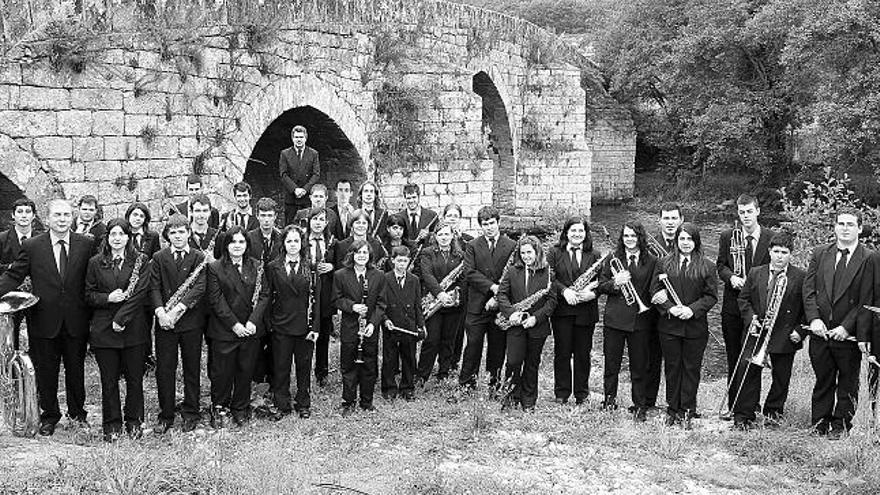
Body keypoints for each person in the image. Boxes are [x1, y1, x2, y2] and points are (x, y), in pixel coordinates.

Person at [0, 199, 94, 436]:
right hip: (43, 320)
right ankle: (49, 415)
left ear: (71, 217)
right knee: (46, 370)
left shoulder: (86, 244)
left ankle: (77, 415)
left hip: (76, 319)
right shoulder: (32, 246)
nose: (62, 219)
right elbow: (13, 276)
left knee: (76, 369)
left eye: (66, 215)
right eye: (57, 215)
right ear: (47, 218)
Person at [804, 208, 874, 439]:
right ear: (834, 227)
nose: (845, 228)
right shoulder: (819, 253)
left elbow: (868, 299)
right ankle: (819, 423)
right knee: (823, 379)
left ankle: (841, 425)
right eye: (841, 223)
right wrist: (813, 318)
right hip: (820, 331)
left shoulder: (870, 258)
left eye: (850, 224)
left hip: (848, 333)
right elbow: (809, 289)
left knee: (847, 381)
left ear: (860, 229)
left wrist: (847, 327)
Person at [84, 218, 151, 441]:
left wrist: (121, 318)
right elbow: (88, 295)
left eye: (121, 234)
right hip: (105, 331)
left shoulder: (141, 261)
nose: (117, 238)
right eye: (113, 234)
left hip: (134, 329)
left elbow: (141, 294)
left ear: (128, 237)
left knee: (134, 380)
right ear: (107, 238)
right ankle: (112, 425)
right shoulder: (95, 262)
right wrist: (107, 298)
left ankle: (134, 422)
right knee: (109, 381)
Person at [733, 232, 806, 430]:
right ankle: (743, 416)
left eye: (784, 252)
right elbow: (743, 299)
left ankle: (772, 414)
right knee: (747, 373)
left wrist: (800, 330)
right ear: (769, 252)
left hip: (785, 333)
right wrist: (751, 319)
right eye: (776, 252)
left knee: (781, 377)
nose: (780, 256)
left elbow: (807, 307)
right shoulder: (756, 272)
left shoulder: (800, 277)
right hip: (757, 332)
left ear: (791, 253)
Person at [650, 222, 718, 429]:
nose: (685, 243)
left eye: (690, 239)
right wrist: (670, 308)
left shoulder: (707, 265)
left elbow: (711, 296)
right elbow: (655, 292)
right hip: (669, 325)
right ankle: (672, 409)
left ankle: (687, 410)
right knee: (672, 368)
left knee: (691, 368)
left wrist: (692, 310)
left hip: (694, 327)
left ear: (695, 241)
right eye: (682, 239)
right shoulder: (663, 263)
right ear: (676, 241)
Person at [206, 226, 269, 427]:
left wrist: (252, 321)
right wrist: (234, 325)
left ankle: (240, 407)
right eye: (233, 241)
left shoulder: (257, 266)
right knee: (222, 372)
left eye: (242, 242)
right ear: (226, 245)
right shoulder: (215, 267)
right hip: (225, 329)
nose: (237, 246)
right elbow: (216, 300)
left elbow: (264, 296)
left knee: (245, 369)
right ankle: (219, 408)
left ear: (247, 245)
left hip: (250, 328)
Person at [150, 214, 207, 433]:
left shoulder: (198, 257)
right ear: (167, 235)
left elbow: (199, 287)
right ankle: (166, 414)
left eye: (181, 231)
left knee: (191, 367)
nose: (177, 236)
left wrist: (178, 309)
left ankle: (191, 411)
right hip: (165, 323)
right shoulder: (158, 257)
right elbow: (153, 287)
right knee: (165, 368)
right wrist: (161, 313)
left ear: (189, 233)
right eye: (173, 232)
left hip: (190, 322)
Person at [596, 221, 659, 420]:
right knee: (611, 364)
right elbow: (601, 285)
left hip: (640, 320)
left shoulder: (652, 261)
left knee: (639, 365)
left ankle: (639, 405)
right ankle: (609, 400)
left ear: (640, 237)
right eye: (626, 236)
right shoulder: (613, 258)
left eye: (633, 236)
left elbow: (653, 289)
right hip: (614, 319)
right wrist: (615, 283)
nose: (629, 239)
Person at [717, 194, 772, 416]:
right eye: (742, 212)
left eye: (749, 211)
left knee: (752, 360)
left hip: (758, 309)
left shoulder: (770, 237)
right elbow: (720, 265)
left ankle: (750, 406)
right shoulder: (728, 236)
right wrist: (731, 277)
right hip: (732, 308)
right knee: (734, 356)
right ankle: (733, 406)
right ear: (738, 214)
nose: (746, 216)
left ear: (758, 211)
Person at [459, 206, 515, 393]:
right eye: (485, 224)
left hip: (500, 306)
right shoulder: (473, 245)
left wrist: (498, 297)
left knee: (497, 348)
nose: (489, 227)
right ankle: (466, 385)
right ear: (480, 226)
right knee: (472, 346)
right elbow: (469, 273)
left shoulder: (511, 245)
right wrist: (492, 287)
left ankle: (494, 386)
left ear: (498, 223)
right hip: (476, 305)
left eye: (492, 223)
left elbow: (512, 275)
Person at [497, 235, 557, 411]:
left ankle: (528, 400)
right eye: (522, 253)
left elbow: (552, 302)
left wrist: (535, 318)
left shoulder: (547, 273)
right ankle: (510, 397)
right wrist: (511, 313)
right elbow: (501, 294)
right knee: (513, 361)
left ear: (537, 252)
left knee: (532, 363)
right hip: (515, 323)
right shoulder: (512, 270)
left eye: (529, 252)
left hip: (537, 325)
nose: (526, 256)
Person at [265, 225, 319, 419]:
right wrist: (270, 324)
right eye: (289, 241)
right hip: (281, 325)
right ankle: (282, 404)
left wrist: (316, 326)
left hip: (305, 326)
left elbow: (317, 298)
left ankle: (303, 403)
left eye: (296, 241)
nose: (293, 245)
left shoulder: (310, 266)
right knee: (281, 367)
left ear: (302, 243)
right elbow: (267, 296)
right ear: (283, 244)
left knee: (304, 367)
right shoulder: (273, 267)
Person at [547, 216, 600, 406]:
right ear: (566, 233)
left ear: (586, 234)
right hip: (562, 310)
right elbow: (549, 279)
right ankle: (561, 393)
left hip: (586, 310)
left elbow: (602, 282)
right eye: (573, 231)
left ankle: (582, 394)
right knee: (562, 352)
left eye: (581, 231)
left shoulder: (595, 254)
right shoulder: (554, 252)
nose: (577, 234)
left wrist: (592, 293)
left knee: (583, 353)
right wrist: (564, 291)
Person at [333, 239, 386, 415]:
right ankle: (348, 402)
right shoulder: (340, 275)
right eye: (358, 252)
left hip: (369, 327)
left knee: (369, 364)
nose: (361, 256)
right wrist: (352, 306)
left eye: (365, 252)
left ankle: (366, 401)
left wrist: (373, 323)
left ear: (369, 255)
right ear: (352, 255)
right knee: (348, 364)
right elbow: (336, 299)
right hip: (350, 327)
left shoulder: (378, 275)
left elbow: (381, 303)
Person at [418, 221, 466, 383]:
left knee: (448, 339)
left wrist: (453, 296)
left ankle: (443, 372)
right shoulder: (427, 253)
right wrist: (440, 294)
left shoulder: (460, 255)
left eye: (447, 234)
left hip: (453, 303)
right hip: (434, 302)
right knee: (431, 340)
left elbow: (464, 278)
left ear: (452, 236)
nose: (443, 237)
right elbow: (427, 275)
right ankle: (422, 374)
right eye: (440, 234)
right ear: (435, 236)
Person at [246, 197, 283, 387]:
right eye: (263, 216)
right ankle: (257, 381)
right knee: (257, 340)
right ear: (257, 216)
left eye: (270, 216)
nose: (266, 220)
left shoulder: (282, 237)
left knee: (275, 340)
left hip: (277, 297)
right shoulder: (249, 237)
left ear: (275, 217)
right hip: (257, 296)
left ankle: (273, 382)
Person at [381, 245, 425, 401]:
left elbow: (417, 305)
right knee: (389, 357)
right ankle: (389, 388)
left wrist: (421, 325)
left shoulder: (414, 280)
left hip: (409, 325)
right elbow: (380, 304)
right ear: (393, 261)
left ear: (409, 262)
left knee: (409, 357)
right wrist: (385, 320)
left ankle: (407, 387)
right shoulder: (385, 278)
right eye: (399, 261)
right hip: (391, 325)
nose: (402, 264)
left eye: (405, 261)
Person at [0, 198, 42, 350]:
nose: (24, 216)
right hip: (10, 296)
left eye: (28, 212)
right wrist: (10, 267)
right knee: (11, 336)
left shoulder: (42, 238)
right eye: (19, 212)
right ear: (13, 216)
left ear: (34, 216)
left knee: (38, 333)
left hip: (36, 294)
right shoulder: (2, 238)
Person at [304, 207, 337, 388]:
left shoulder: (332, 242)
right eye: (314, 219)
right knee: (306, 333)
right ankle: (305, 370)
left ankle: (322, 372)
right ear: (309, 222)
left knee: (323, 334)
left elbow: (341, 266)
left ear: (326, 223)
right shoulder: (301, 241)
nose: (318, 222)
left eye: (321, 219)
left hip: (325, 293)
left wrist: (331, 267)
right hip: (306, 293)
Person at [442, 203, 473, 371]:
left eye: (455, 216)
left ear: (460, 219)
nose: (452, 219)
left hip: (461, 289)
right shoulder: (438, 236)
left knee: (458, 328)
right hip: (441, 289)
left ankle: (454, 361)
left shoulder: (468, 240)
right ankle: (441, 362)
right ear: (444, 218)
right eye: (449, 216)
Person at [280, 125, 320, 225]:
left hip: (306, 198)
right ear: (292, 138)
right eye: (296, 137)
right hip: (291, 199)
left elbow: (316, 174)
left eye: (301, 137)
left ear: (305, 138)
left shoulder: (313, 154)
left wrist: (305, 189)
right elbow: (283, 174)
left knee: (306, 227)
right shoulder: (285, 154)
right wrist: (295, 189)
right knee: (290, 226)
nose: (299, 140)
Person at [188, 194, 222, 260]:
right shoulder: (182, 235)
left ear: (210, 212)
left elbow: (225, 265)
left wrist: (213, 262)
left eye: (205, 211)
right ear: (191, 212)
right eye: (198, 211)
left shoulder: (219, 236)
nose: (201, 215)